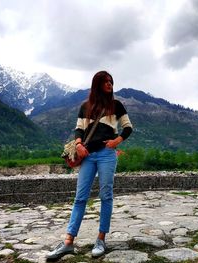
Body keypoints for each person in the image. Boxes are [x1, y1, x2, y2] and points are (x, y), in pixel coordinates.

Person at [46, 71, 133, 260]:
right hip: (88, 156)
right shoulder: (85, 107)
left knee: (106, 195)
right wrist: (78, 144)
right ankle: (68, 242)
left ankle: (101, 239)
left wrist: (115, 142)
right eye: (105, 81)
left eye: (111, 81)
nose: (109, 84)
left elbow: (128, 127)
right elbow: (79, 129)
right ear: (97, 84)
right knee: (80, 197)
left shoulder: (116, 105)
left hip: (107, 155)